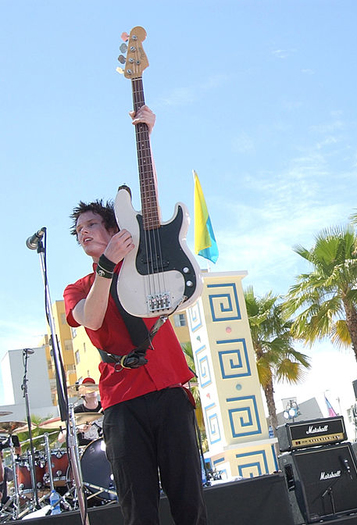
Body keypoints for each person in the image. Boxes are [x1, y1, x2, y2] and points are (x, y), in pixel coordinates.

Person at [63, 105, 207, 525]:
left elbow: (152, 202)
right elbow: (89, 319)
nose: (84, 231)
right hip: (121, 402)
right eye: (79, 231)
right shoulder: (82, 286)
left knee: (189, 501)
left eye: (92, 223)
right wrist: (106, 267)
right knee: (138, 508)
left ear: (115, 228)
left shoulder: (149, 263)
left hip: (168, 388)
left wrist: (148, 134)